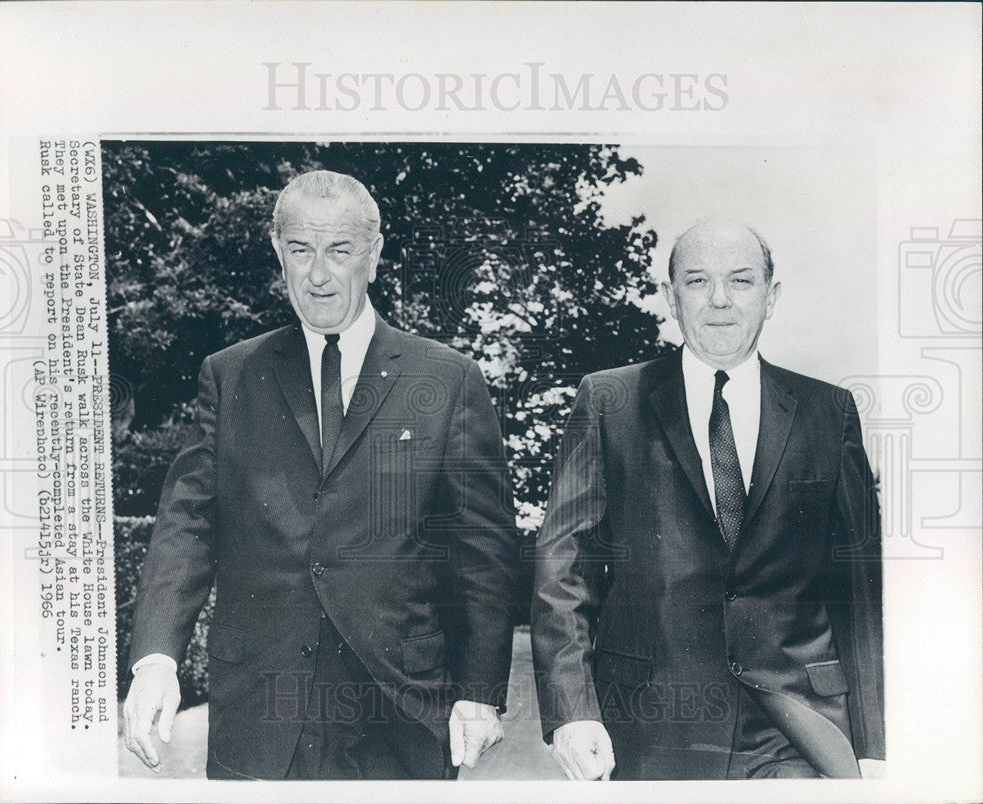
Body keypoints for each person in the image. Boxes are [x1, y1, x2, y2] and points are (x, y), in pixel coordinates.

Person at [123, 170, 520, 780]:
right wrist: (155, 659)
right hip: (260, 713)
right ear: (278, 253)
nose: (318, 274)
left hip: (400, 712)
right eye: (301, 251)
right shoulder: (230, 376)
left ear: (375, 255)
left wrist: (480, 689)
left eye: (340, 251)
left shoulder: (447, 380)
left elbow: (484, 553)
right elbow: (187, 525)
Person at [530, 219, 884, 780]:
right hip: (649, 726)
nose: (719, 300)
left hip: (797, 730)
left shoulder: (829, 412)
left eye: (741, 281)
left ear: (771, 297)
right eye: (697, 281)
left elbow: (859, 590)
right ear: (671, 298)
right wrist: (572, 713)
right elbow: (563, 568)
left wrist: (871, 745)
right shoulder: (608, 400)